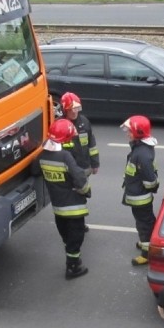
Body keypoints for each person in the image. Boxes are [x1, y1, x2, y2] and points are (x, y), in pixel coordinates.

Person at [36, 119, 91, 279]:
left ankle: (73, 258)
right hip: (74, 207)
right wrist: (86, 191)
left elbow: (35, 170)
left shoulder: (42, 156)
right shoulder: (65, 156)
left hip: (58, 207)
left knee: (67, 236)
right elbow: (80, 179)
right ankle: (73, 267)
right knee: (76, 237)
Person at [121, 115, 158, 266]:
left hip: (140, 198)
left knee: (144, 224)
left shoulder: (141, 154)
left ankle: (147, 253)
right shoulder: (140, 148)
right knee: (145, 222)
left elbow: (150, 181)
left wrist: (140, 188)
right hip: (138, 195)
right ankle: (146, 242)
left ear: (138, 132)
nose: (127, 133)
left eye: (129, 131)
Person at [60, 92, 99, 232]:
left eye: (77, 109)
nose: (75, 112)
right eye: (72, 109)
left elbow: (92, 144)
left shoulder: (84, 122)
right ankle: (71, 224)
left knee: (81, 197)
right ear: (65, 109)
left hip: (83, 168)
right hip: (68, 170)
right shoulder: (60, 125)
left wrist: (95, 163)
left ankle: (79, 224)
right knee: (71, 198)